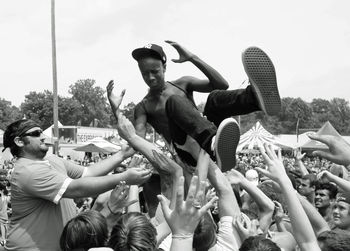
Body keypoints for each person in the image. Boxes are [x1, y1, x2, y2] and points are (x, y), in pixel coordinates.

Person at [110, 40, 281, 171]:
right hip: (186, 153)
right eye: (145, 73)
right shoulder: (144, 106)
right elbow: (137, 139)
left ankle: (256, 98)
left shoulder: (182, 83)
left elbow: (221, 84)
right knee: (174, 102)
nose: (150, 77)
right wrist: (116, 111)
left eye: (155, 71)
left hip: (205, 135)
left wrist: (192, 58)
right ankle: (213, 144)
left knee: (214, 98)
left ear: (164, 67)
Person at [2, 119, 152, 250]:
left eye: (41, 132)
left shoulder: (52, 159)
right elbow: (76, 188)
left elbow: (88, 173)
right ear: (19, 141)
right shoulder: (27, 170)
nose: (43, 137)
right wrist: (125, 176)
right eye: (35, 134)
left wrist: (122, 155)